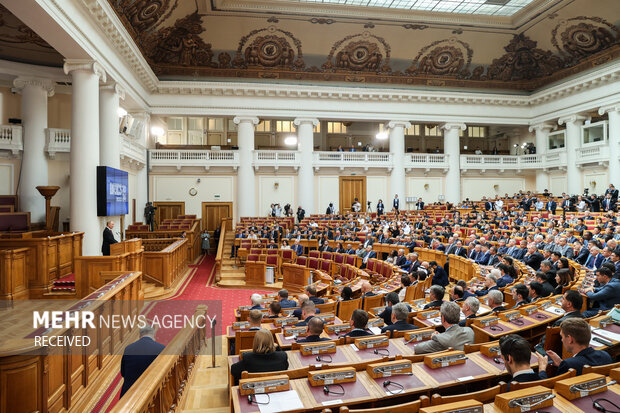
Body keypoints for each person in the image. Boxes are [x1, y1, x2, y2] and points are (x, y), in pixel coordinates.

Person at [538, 318, 613, 377]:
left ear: (570, 339)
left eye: (562, 337)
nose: (561, 340)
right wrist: (561, 363)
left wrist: (542, 369)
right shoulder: (605, 355)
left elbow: (552, 388)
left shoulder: (569, 364)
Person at [120, 325, 165, 397]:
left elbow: (123, 373)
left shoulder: (128, 348)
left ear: (140, 336)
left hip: (128, 394)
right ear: (153, 335)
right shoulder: (161, 348)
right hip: (150, 393)